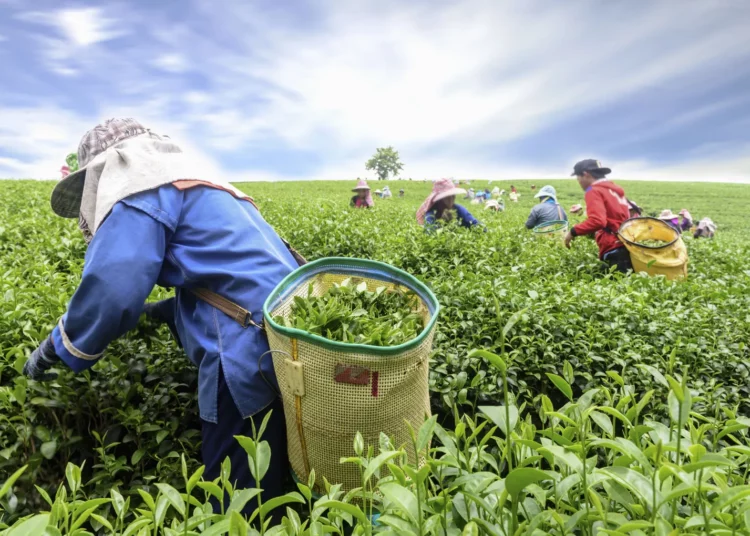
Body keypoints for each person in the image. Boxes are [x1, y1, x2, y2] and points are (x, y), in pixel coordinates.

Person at [22, 118, 298, 514]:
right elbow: (229, 274)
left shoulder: (139, 187)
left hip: (241, 348)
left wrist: (58, 346)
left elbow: (113, 287)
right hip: (284, 333)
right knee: (268, 473)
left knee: (237, 494)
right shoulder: (201, 186)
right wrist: (160, 313)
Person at [564, 159, 632, 273]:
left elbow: (598, 221)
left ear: (586, 174)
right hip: (627, 242)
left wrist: (573, 232)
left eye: (578, 178)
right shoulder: (614, 190)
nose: (579, 182)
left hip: (612, 246)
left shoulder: (593, 191)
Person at [417, 178, 481, 230]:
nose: (452, 198)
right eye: (448, 197)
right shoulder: (432, 213)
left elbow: (477, 225)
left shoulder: (458, 209)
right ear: (440, 199)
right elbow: (429, 232)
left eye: (453, 195)